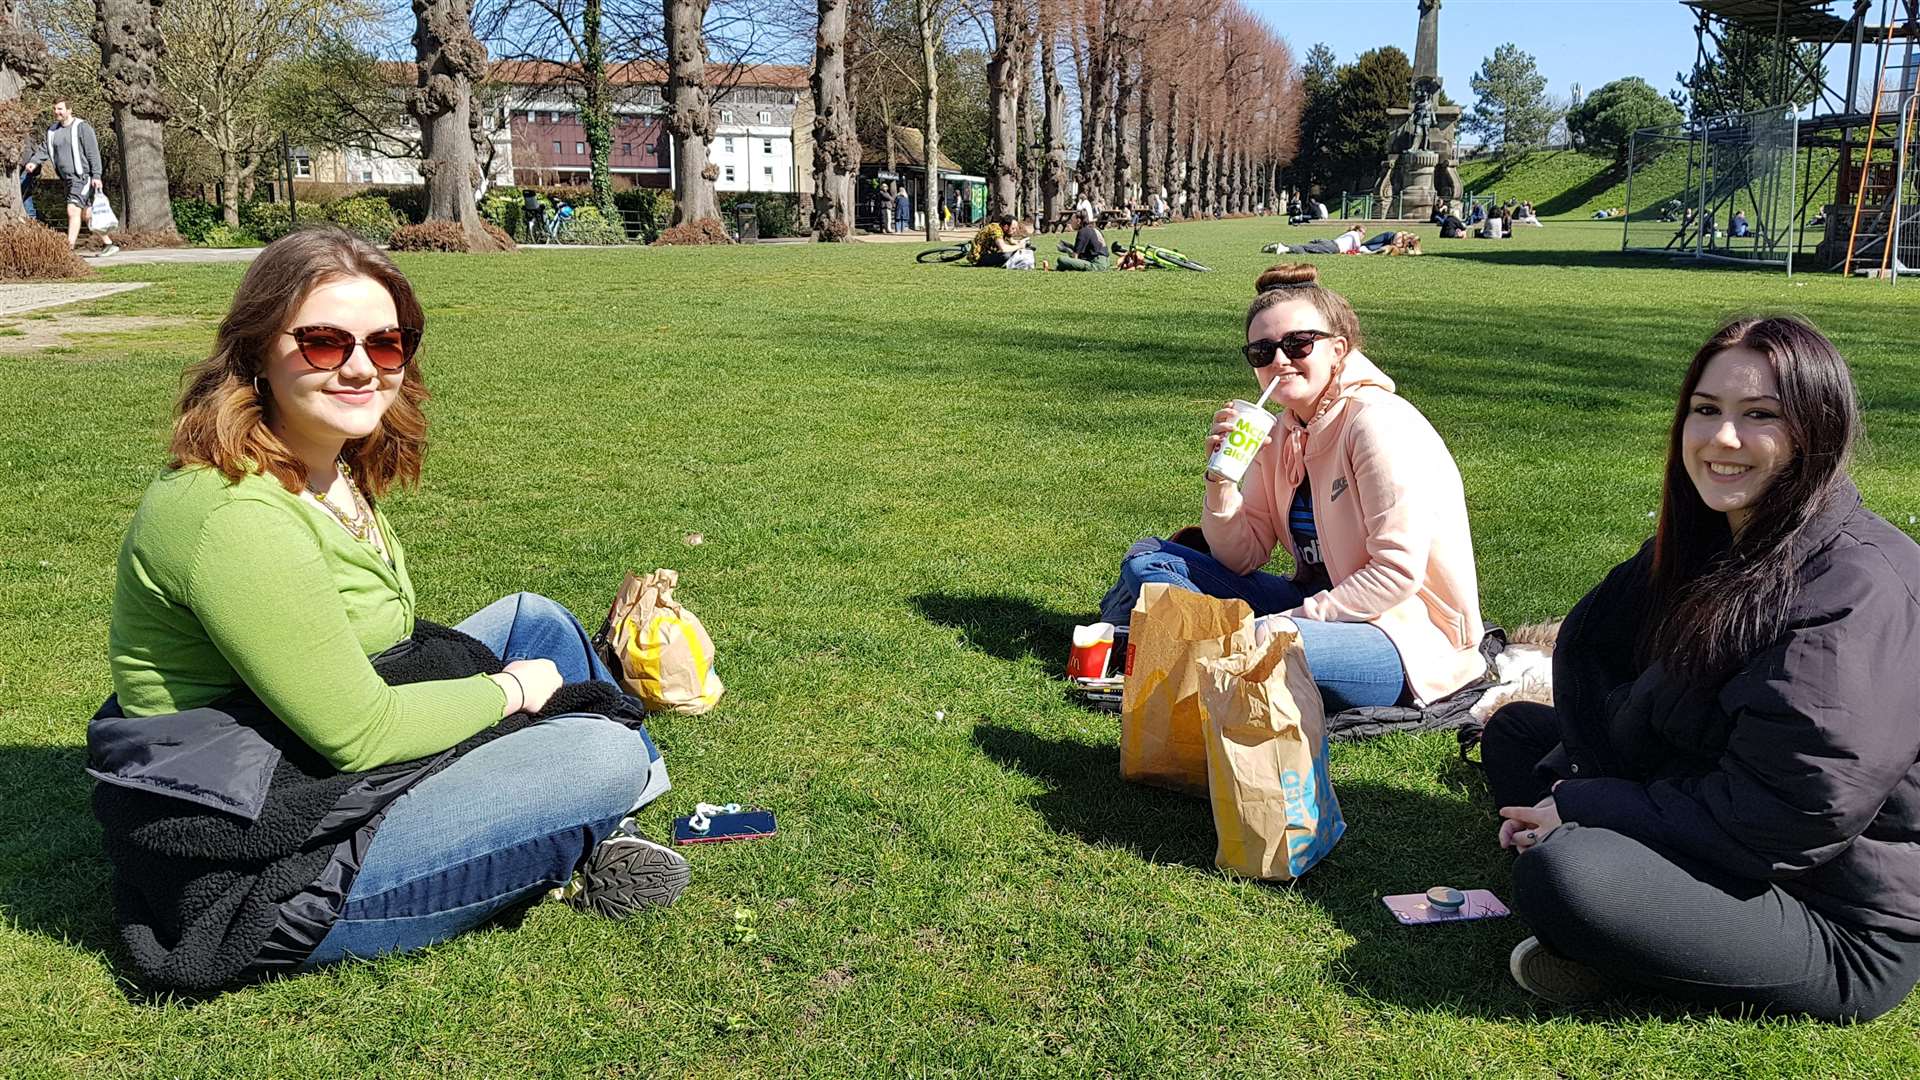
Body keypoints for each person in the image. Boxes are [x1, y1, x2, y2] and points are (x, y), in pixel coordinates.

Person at [93, 228, 684, 986]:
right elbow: (358, 734)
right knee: (599, 751)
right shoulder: (234, 516)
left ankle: (604, 821)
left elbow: (381, 646)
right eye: (323, 343)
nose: (362, 367)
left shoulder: (320, 461)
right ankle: (588, 813)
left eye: (386, 344)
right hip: (255, 842)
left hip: (293, 746)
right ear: (255, 349)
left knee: (531, 618)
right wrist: (511, 692)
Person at [1479, 315, 1920, 1023]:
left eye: (1760, 417)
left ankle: (1613, 933)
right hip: (1718, 814)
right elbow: (1608, 665)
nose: (1721, 439)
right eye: (1706, 410)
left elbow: (1793, 814)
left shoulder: (1854, 592)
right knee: (1517, 735)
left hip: (1832, 909)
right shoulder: (1725, 538)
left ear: (1816, 431)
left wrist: (1585, 808)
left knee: (1566, 875)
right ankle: (1627, 921)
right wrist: (1582, 794)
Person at [1098, 263, 1486, 713]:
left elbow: (1395, 575)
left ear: (1337, 349)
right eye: (1262, 352)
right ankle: (1196, 647)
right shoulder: (1280, 430)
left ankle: (1160, 645)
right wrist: (1220, 481)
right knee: (1150, 560)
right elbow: (1243, 556)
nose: (1279, 360)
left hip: (1403, 633)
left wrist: (1278, 624)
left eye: (1298, 343)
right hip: (1313, 604)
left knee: (1262, 640)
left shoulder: (1376, 424)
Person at [24, 99, 116, 256]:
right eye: (54, 109)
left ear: (69, 110)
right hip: (67, 179)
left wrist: (97, 175)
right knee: (86, 214)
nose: (56, 112)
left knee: (72, 210)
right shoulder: (52, 131)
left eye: (60, 108)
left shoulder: (82, 128)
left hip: (82, 177)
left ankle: (68, 250)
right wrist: (34, 161)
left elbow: (93, 153)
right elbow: (45, 149)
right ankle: (109, 244)